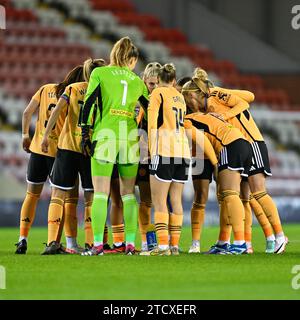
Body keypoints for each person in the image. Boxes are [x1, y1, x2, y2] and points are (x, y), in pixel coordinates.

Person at [183, 68, 288, 254]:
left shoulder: (215, 94)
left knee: (256, 193)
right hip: (242, 144)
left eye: (187, 99)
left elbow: (247, 100)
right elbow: (248, 96)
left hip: (250, 141)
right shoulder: (207, 107)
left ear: (193, 95)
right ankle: (243, 242)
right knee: (243, 197)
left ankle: (276, 236)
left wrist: (225, 114)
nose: (188, 105)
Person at [80, 37, 149, 256]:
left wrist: (84, 132)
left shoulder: (99, 73)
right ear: (132, 59)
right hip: (129, 138)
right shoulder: (137, 80)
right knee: (128, 194)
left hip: (105, 136)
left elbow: (89, 102)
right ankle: (129, 244)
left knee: (101, 194)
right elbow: (150, 110)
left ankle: (98, 245)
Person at [15, 66, 84, 254]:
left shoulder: (46, 89)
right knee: (64, 199)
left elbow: (26, 113)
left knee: (31, 196)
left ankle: (22, 239)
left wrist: (24, 135)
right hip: (59, 154)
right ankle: (57, 242)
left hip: (37, 150)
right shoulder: (74, 95)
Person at [40, 58, 106, 254]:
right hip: (90, 148)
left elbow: (57, 111)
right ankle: (90, 243)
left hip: (67, 145)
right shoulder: (103, 91)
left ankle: (52, 241)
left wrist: (45, 136)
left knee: (58, 195)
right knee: (90, 197)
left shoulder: (73, 88)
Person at [183, 98, 253, 254]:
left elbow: (202, 140)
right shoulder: (206, 115)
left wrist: (215, 163)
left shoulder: (187, 120)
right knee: (225, 196)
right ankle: (223, 242)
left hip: (230, 146)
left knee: (230, 194)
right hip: (243, 144)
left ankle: (241, 243)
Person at [144, 63, 191, 256]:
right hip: (183, 152)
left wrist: (151, 150)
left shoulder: (157, 93)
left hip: (164, 149)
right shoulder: (180, 97)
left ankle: (162, 246)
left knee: (159, 200)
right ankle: (174, 246)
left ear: (160, 79)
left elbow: (152, 124)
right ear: (173, 80)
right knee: (176, 200)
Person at [136, 62, 161, 252]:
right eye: (151, 84)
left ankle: (160, 241)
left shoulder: (161, 102)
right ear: (144, 81)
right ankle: (145, 241)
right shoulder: (138, 101)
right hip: (140, 155)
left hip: (159, 155)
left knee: (156, 201)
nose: (154, 87)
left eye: (157, 84)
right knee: (145, 201)